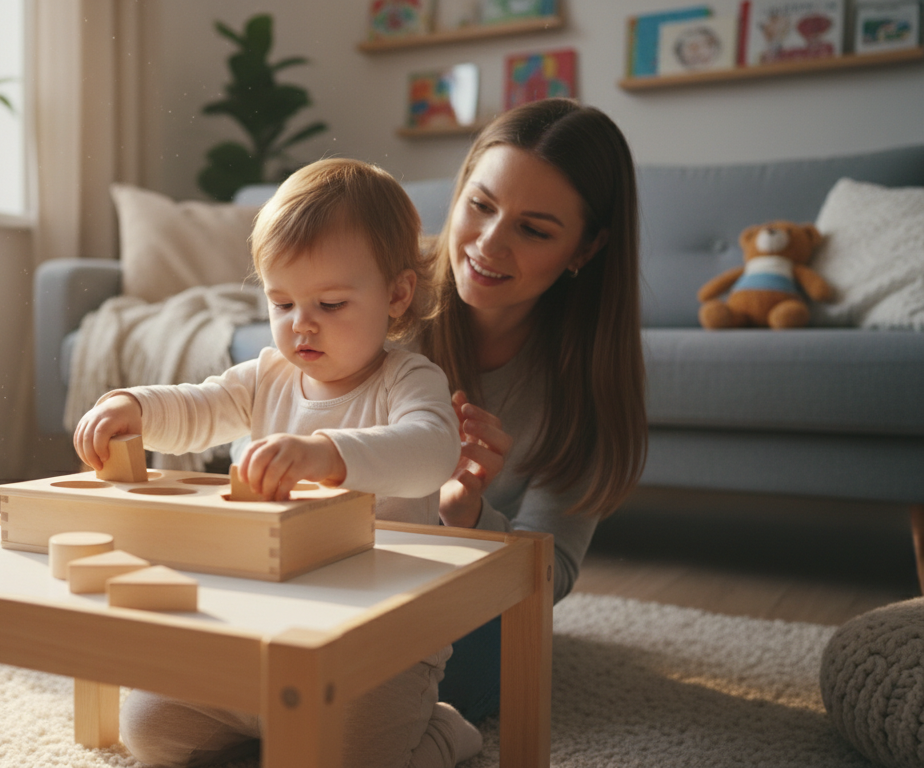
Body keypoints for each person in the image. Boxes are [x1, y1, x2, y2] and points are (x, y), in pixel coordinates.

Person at [73, 158, 482, 767]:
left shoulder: (408, 380)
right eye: (281, 301)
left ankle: (444, 731)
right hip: (254, 631)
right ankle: (269, 731)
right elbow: (202, 406)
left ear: (396, 295)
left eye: (331, 303)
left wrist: (326, 454)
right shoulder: (269, 375)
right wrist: (137, 406)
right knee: (149, 728)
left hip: (374, 650)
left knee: (355, 757)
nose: (301, 325)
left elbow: (431, 452)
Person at [418, 98, 649, 723]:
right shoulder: (384, 289)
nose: (489, 244)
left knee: (475, 675)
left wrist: (468, 518)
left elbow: (552, 573)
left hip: (451, 598)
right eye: (481, 205)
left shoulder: (588, 380)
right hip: (336, 559)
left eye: (534, 230)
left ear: (586, 247)